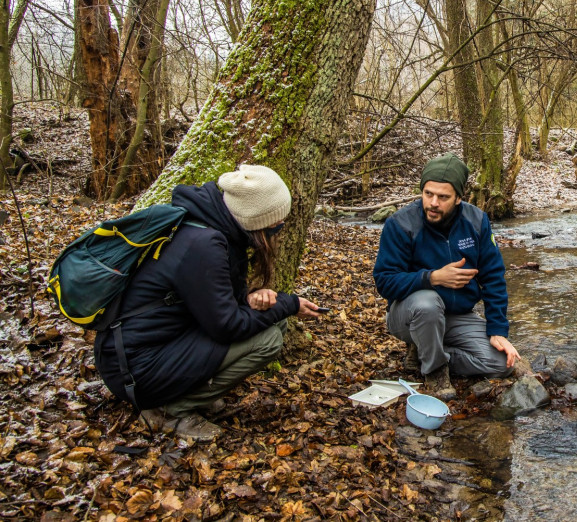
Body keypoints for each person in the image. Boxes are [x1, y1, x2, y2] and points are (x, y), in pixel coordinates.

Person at [94, 164, 322, 441]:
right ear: (253, 218)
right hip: (136, 369)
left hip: (150, 350)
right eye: (275, 222)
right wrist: (290, 303)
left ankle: (190, 393)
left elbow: (210, 300)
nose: (279, 228)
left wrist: (250, 297)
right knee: (269, 339)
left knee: (275, 318)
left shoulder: (214, 227)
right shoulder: (203, 244)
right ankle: (169, 409)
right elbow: (227, 326)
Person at [373, 154, 519, 400]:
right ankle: (435, 370)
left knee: (501, 364)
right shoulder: (400, 224)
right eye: (428, 194)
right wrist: (433, 278)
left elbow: (493, 277)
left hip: (456, 316)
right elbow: (385, 281)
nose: (433, 203)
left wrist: (497, 329)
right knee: (427, 303)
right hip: (408, 316)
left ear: (459, 198)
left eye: (443, 197)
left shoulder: (476, 221)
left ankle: (426, 352)